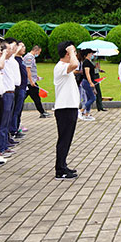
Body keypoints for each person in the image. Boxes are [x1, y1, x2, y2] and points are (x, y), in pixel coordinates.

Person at [53, 41, 80, 179]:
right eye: (73, 52)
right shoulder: (60, 67)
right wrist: (70, 51)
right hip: (64, 109)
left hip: (70, 107)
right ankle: (60, 170)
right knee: (64, 140)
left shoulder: (65, 67)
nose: (75, 54)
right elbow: (75, 65)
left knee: (67, 139)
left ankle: (63, 165)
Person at [23, 45, 50, 118]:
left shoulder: (31, 57)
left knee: (33, 97)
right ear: (36, 51)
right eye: (39, 52)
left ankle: (42, 112)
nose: (39, 54)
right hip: (30, 83)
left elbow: (31, 70)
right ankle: (42, 112)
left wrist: (36, 77)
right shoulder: (29, 57)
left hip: (30, 81)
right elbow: (28, 70)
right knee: (36, 98)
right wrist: (31, 81)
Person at [10, 42, 29, 137]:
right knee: (16, 110)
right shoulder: (14, 59)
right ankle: (13, 130)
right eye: (21, 46)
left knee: (19, 110)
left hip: (23, 87)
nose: (23, 48)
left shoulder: (20, 59)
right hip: (19, 88)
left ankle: (16, 128)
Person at [79, 48, 98, 121]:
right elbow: (87, 74)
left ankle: (87, 114)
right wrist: (90, 82)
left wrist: (96, 67)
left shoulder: (89, 62)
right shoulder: (86, 62)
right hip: (87, 82)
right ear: (87, 54)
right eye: (91, 53)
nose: (92, 55)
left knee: (89, 98)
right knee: (93, 98)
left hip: (89, 82)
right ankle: (81, 110)